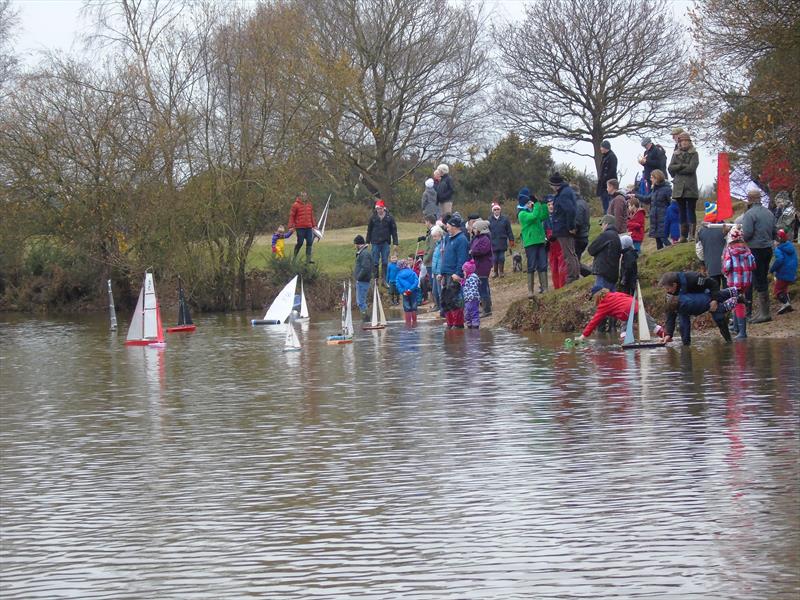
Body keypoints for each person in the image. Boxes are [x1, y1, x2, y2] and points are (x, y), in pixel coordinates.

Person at [742, 189, 777, 323]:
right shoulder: (769, 212)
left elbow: (747, 234)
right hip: (768, 248)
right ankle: (763, 311)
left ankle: (765, 313)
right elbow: (775, 232)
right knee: (762, 276)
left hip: (755, 249)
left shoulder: (749, 214)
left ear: (749, 200)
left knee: (758, 278)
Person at [662, 286, 739, 345]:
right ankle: (729, 342)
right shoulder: (670, 300)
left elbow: (684, 325)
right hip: (705, 300)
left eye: (668, 288)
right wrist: (669, 334)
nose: (667, 290)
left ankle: (738, 296)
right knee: (720, 313)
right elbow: (671, 317)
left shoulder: (684, 301)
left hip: (708, 298)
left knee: (720, 314)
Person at [577, 288, 662, 340]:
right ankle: (666, 337)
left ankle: (627, 343)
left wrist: (583, 336)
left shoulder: (603, 305)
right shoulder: (615, 294)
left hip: (626, 312)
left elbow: (594, 321)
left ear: (597, 296)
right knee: (652, 325)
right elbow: (628, 296)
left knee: (624, 330)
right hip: (636, 305)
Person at [722, 227, 756, 339]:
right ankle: (736, 327)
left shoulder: (729, 250)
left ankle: (742, 331)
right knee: (737, 301)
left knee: (738, 303)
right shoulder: (747, 249)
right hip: (746, 281)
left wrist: (725, 272)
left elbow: (727, 266)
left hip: (734, 281)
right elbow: (753, 265)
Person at [668, 132, 700, 242]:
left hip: (690, 186)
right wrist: (681, 166)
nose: (684, 143)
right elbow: (670, 168)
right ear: (680, 143)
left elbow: (692, 168)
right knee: (681, 211)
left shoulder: (694, 153)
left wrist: (678, 169)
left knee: (691, 210)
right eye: (682, 141)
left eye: (686, 141)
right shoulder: (675, 153)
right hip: (678, 186)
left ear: (689, 142)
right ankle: (683, 235)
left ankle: (691, 234)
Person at [517, 188, 549, 297]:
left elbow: (543, 216)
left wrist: (543, 204)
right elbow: (534, 216)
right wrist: (536, 204)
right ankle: (530, 290)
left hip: (540, 240)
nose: (530, 203)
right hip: (530, 242)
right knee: (531, 265)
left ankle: (545, 288)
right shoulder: (522, 214)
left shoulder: (531, 211)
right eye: (528, 202)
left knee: (543, 264)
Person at [548, 172, 579, 283]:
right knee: (571, 253)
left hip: (564, 228)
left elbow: (570, 210)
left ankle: (572, 277)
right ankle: (574, 275)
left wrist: (570, 226)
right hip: (564, 227)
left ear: (555, 185)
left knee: (568, 254)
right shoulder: (566, 191)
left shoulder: (563, 194)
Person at [440, 215, 469, 328]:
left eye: (448, 227)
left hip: (454, 274)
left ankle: (458, 324)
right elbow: (446, 256)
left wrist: (458, 273)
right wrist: (441, 273)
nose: (447, 229)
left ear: (454, 226)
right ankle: (450, 323)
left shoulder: (461, 239)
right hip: (446, 273)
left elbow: (462, 258)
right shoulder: (449, 238)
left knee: (455, 299)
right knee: (446, 300)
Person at [634, 169, 673, 250]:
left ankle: (673, 251)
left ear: (657, 178)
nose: (650, 179)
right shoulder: (655, 189)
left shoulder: (667, 189)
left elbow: (671, 204)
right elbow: (647, 199)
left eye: (652, 177)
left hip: (663, 218)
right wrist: (635, 195)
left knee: (663, 238)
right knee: (658, 240)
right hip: (655, 219)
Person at [366, 199, 399, 285]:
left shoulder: (389, 218)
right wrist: (367, 242)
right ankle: (375, 279)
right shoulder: (373, 218)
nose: (379, 210)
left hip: (385, 242)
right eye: (377, 209)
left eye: (380, 208)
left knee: (385, 261)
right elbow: (369, 230)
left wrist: (395, 243)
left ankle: (384, 280)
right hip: (375, 242)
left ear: (383, 208)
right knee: (375, 261)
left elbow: (394, 231)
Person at [587, 215, 622, 295]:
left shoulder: (605, 235)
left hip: (604, 273)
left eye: (602, 224)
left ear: (606, 224)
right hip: (613, 274)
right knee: (612, 300)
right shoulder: (616, 236)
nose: (601, 227)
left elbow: (591, 250)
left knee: (601, 298)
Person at [770, 229, 797, 315]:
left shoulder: (779, 249)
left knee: (777, 290)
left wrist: (772, 269)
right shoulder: (790, 246)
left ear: (778, 239)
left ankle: (786, 304)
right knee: (784, 289)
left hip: (783, 272)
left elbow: (780, 260)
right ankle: (788, 305)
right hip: (791, 271)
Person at [470, 219, 493, 316]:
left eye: (475, 228)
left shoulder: (485, 238)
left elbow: (482, 250)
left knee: (483, 288)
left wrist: (472, 252)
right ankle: (484, 307)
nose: (473, 230)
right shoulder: (477, 238)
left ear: (479, 229)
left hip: (483, 266)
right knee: (480, 288)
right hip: (478, 265)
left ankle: (487, 310)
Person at [288, 191, 317, 262]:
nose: (304, 197)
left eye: (305, 196)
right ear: (300, 196)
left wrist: (314, 225)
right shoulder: (295, 205)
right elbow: (292, 216)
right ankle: (294, 257)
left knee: (310, 242)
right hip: (300, 227)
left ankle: (308, 259)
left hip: (309, 227)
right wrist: (291, 226)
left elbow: (311, 216)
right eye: (302, 196)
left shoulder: (309, 205)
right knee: (300, 242)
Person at [697, 220, 727, 287]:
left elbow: (699, 251)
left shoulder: (701, 231)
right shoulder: (726, 228)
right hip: (727, 265)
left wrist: (703, 264)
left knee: (714, 291)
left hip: (711, 265)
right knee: (728, 291)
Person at [488, 202, 515, 277]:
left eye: (498, 209)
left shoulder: (505, 219)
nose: (496, 211)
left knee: (501, 257)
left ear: (500, 210)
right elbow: (487, 231)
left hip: (502, 241)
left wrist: (511, 240)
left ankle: (501, 272)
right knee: (495, 258)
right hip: (493, 241)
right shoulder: (489, 219)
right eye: (495, 209)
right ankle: (495, 272)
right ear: (493, 211)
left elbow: (509, 230)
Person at [353, 235, 373, 321]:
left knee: (361, 302)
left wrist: (358, 278)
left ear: (358, 244)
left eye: (355, 244)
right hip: (362, 281)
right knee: (360, 302)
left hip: (363, 281)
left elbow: (366, 268)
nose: (354, 246)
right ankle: (366, 319)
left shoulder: (364, 253)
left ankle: (366, 320)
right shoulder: (362, 253)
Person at [457, 259, 481, 328]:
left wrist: (471, 297)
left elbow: (473, 288)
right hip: (467, 299)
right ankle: (469, 325)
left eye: (464, 271)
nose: (463, 272)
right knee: (467, 313)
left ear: (468, 271)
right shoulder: (468, 278)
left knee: (474, 312)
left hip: (472, 299)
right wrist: (461, 281)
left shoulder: (472, 278)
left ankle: (475, 325)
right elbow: (465, 284)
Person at [395, 259, 420, 325]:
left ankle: (408, 323)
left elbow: (398, 285)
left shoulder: (398, 275)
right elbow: (416, 281)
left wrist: (403, 291)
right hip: (413, 292)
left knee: (407, 307)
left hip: (405, 293)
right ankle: (415, 322)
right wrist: (411, 289)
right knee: (414, 307)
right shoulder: (412, 273)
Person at [597, 140, 618, 213]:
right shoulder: (605, 156)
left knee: (608, 203)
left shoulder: (612, 157)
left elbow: (612, 171)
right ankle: (606, 217)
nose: (600, 149)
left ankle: (609, 218)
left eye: (602, 147)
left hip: (609, 185)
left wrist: (606, 181)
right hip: (604, 184)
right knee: (605, 203)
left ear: (606, 147)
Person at [429, 225, 445, 311]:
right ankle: (438, 306)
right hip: (435, 271)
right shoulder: (437, 245)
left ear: (440, 235)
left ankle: (442, 309)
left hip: (440, 272)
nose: (434, 238)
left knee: (440, 292)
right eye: (433, 237)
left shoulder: (443, 244)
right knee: (435, 291)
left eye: (435, 236)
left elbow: (442, 259)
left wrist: (441, 272)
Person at [574, 190, 591, 267]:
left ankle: (589, 272)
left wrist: (572, 230)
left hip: (578, 236)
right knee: (576, 261)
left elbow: (578, 222)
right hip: (584, 235)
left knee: (574, 262)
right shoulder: (583, 203)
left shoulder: (578, 205)